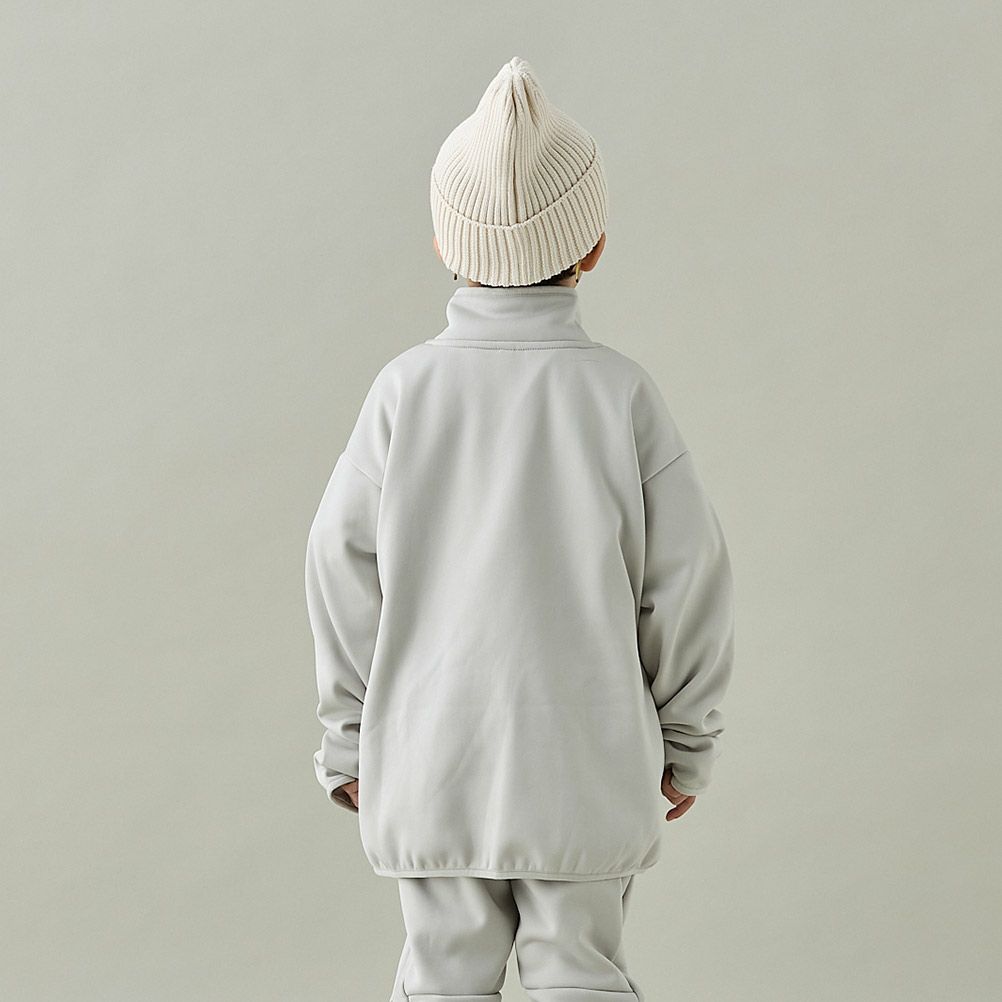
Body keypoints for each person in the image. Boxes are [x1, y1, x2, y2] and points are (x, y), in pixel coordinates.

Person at [305, 55, 735, 1002]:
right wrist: (686, 741)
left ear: (442, 241)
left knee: (441, 977)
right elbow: (690, 580)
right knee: (581, 974)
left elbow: (338, 565)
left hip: (430, 760)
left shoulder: (403, 395)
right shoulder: (621, 397)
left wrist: (348, 740)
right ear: (593, 248)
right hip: (587, 764)